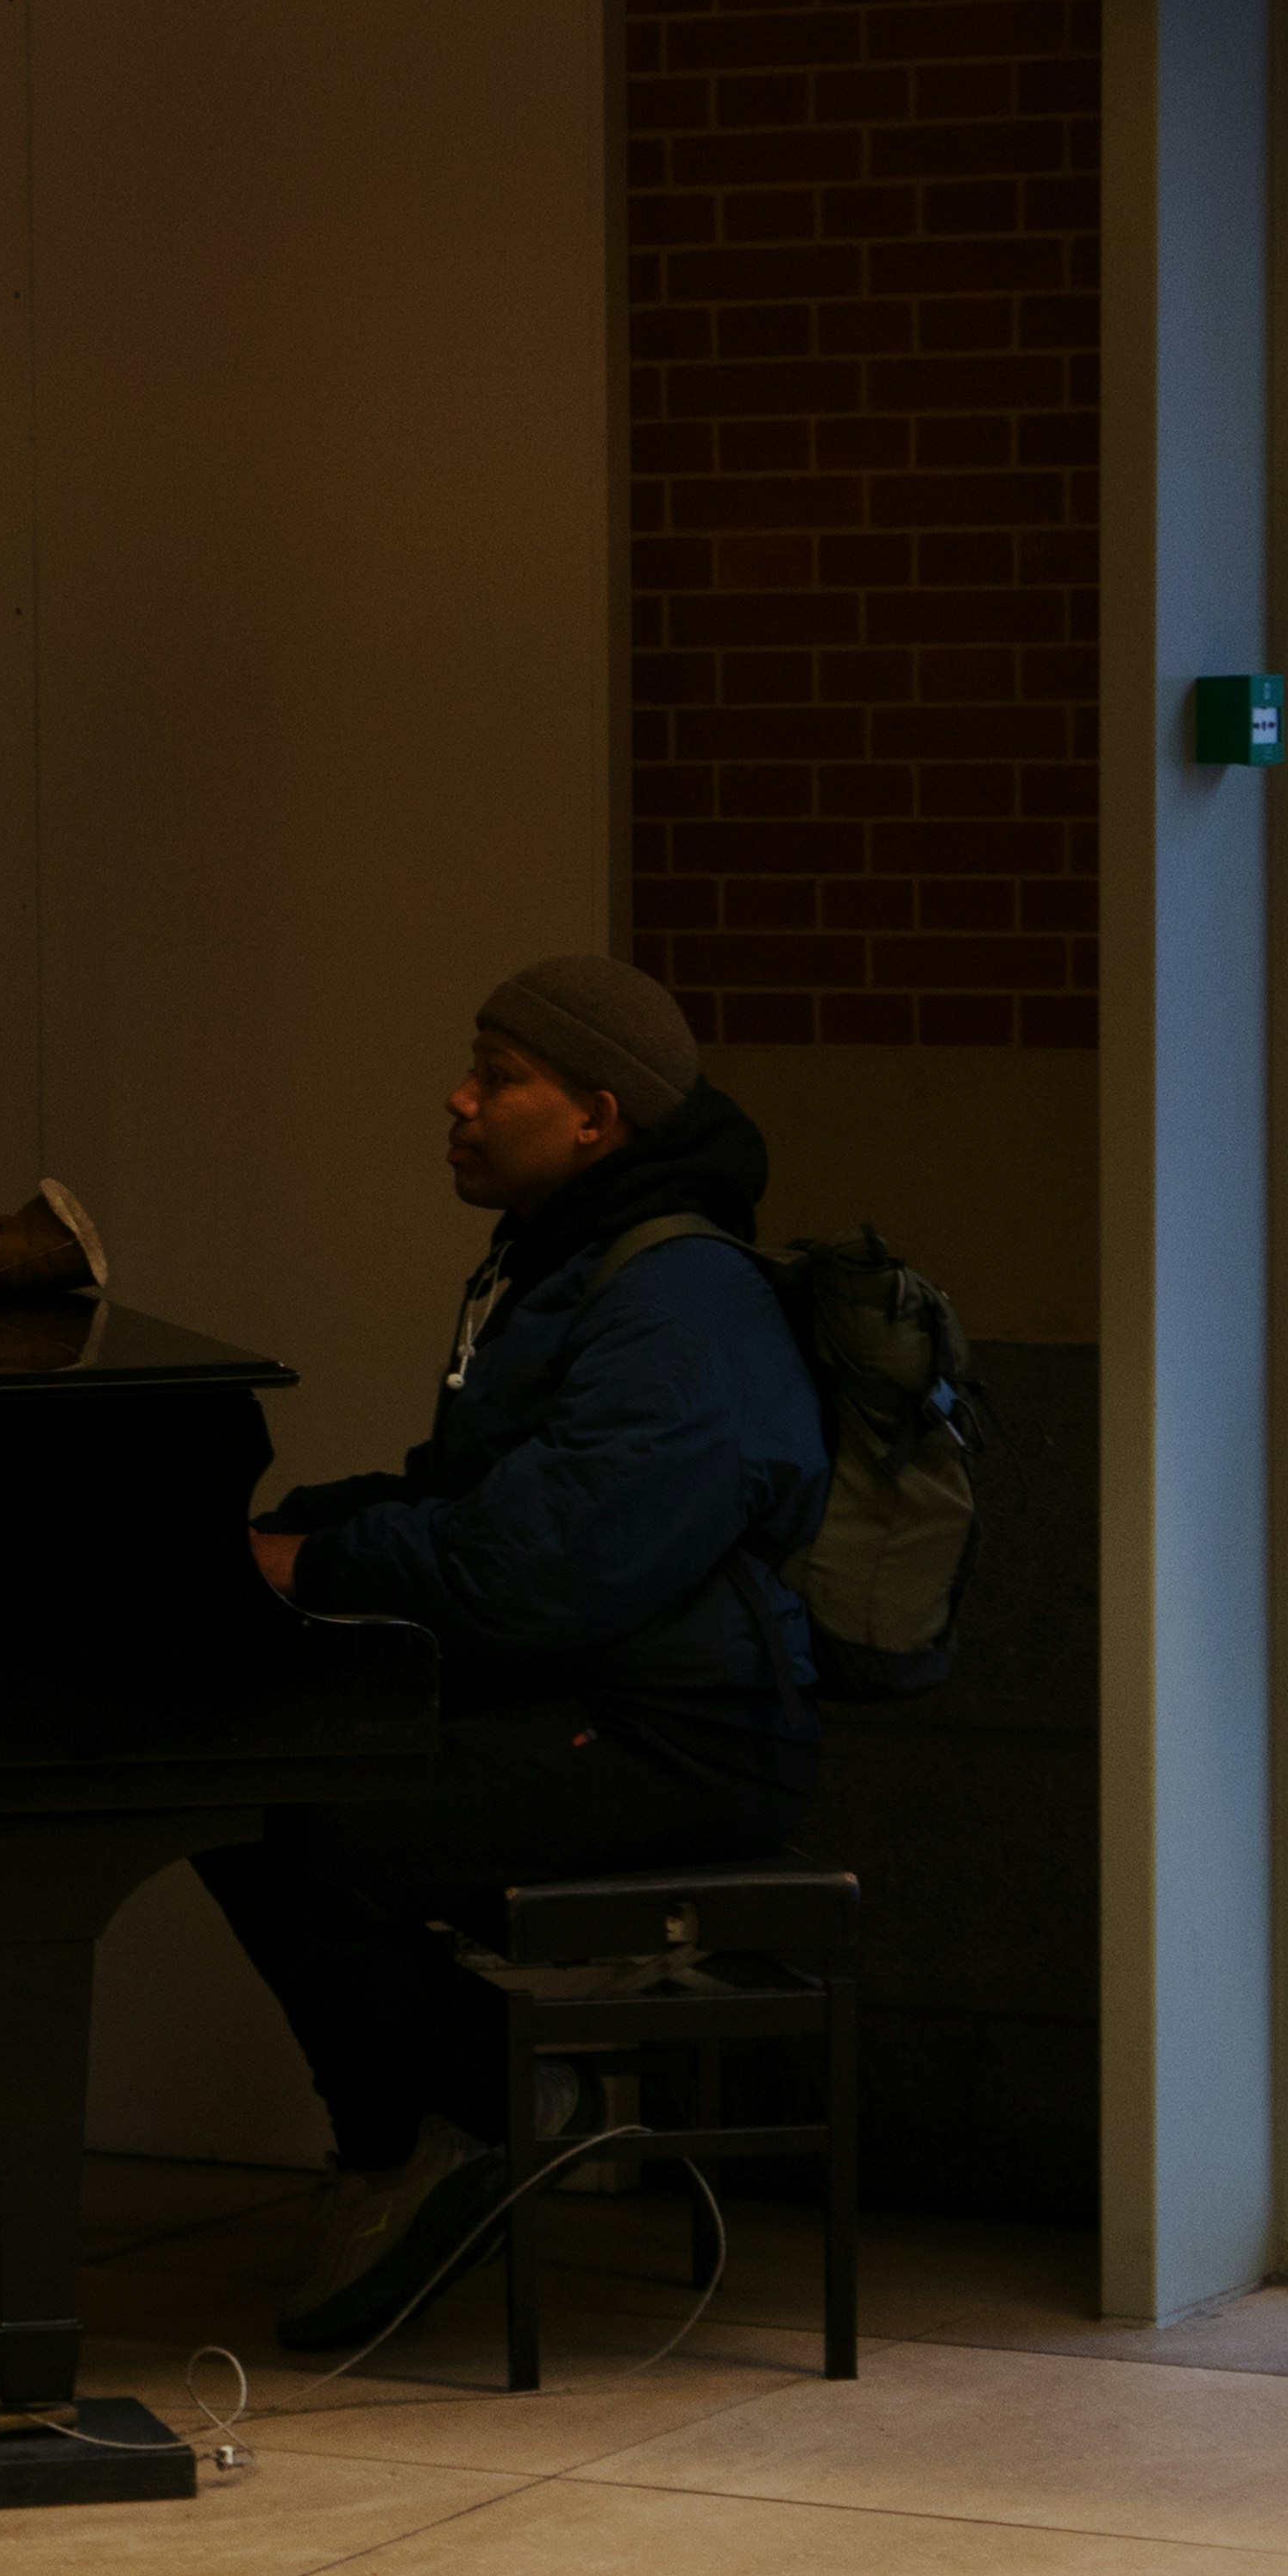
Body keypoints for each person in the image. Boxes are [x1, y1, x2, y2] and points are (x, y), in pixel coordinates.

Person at [197, 954, 830, 2349]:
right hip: (596, 1697)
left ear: (596, 1116)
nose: (459, 1097)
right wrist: (285, 1533)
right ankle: (426, 2124)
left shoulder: (676, 1296)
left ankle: (466, 2110)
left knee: (290, 1812)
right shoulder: (556, 1259)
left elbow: (539, 1567)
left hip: (683, 1734)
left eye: (498, 1076)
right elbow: (468, 1494)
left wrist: (311, 1565)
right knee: (246, 1787)